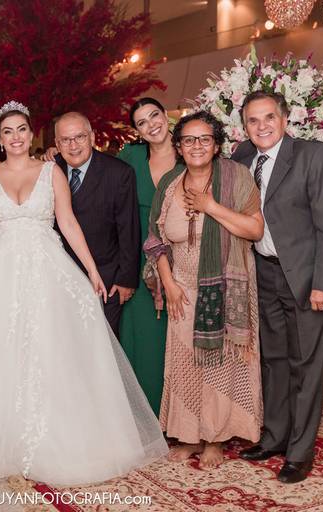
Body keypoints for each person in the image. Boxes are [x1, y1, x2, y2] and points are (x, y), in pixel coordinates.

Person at [0, 102, 168, 486]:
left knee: (48, 348)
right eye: (8, 131)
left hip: (45, 269)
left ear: (31, 134)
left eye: (22, 129)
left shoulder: (51, 171)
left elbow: (67, 222)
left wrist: (91, 269)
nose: (16, 137)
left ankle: (56, 433)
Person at [234, 91, 323, 483]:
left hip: (305, 277)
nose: (262, 126)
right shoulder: (242, 158)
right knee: (274, 360)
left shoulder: (312, 155)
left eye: (269, 117)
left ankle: (300, 453)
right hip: (263, 272)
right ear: (244, 127)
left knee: (306, 365)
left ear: (285, 119)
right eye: (253, 120)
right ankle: (275, 437)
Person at [144, 111, 264, 469]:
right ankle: (189, 436)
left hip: (227, 284)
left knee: (219, 365)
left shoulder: (236, 177)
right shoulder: (170, 182)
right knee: (185, 363)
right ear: (179, 147)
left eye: (204, 139)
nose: (196, 146)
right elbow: (155, 240)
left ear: (216, 145)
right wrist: (168, 284)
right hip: (181, 285)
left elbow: (255, 230)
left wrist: (210, 206)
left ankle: (215, 438)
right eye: (188, 140)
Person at [117, 98, 182, 415]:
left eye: (154, 115)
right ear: (137, 131)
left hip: (184, 253)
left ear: (166, 115)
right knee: (143, 335)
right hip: (140, 253)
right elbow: (95, 171)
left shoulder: (188, 150)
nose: (151, 124)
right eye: (142, 122)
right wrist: (54, 156)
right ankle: (146, 414)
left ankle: (181, 415)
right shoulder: (130, 157)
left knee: (180, 332)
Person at [52, 112, 140, 337]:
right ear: (57, 144)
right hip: (59, 278)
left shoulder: (119, 173)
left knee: (103, 344)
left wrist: (126, 279)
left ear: (92, 137)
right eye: (65, 140)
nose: (73, 145)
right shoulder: (48, 171)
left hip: (106, 279)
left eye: (80, 137)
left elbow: (128, 229)